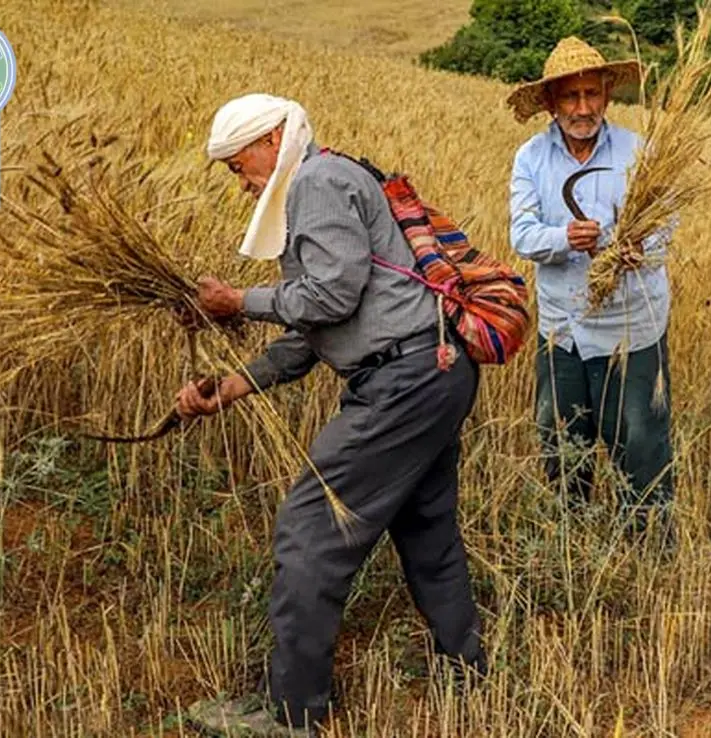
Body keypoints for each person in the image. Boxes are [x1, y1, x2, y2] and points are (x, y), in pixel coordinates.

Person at [179, 93, 486, 737]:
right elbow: (317, 326)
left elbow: (330, 294)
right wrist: (236, 385)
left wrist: (238, 301)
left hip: (403, 380)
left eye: (241, 167)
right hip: (433, 372)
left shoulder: (316, 180)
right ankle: (468, 679)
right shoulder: (331, 179)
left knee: (309, 529)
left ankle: (291, 712)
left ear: (272, 140)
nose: (243, 184)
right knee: (426, 529)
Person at [506, 37, 676, 544]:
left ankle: (647, 552)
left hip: (630, 326)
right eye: (570, 97)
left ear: (607, 95)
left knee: (641, 443)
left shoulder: (638, 152)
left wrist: (637, 246)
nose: (583, 109)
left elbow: (665, 224)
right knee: (562, 440)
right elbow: (521, 233)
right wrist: (564, 238)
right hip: (563, 329)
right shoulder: (531, 158)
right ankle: (572, 544)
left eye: (592, 94)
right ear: (552, 102)